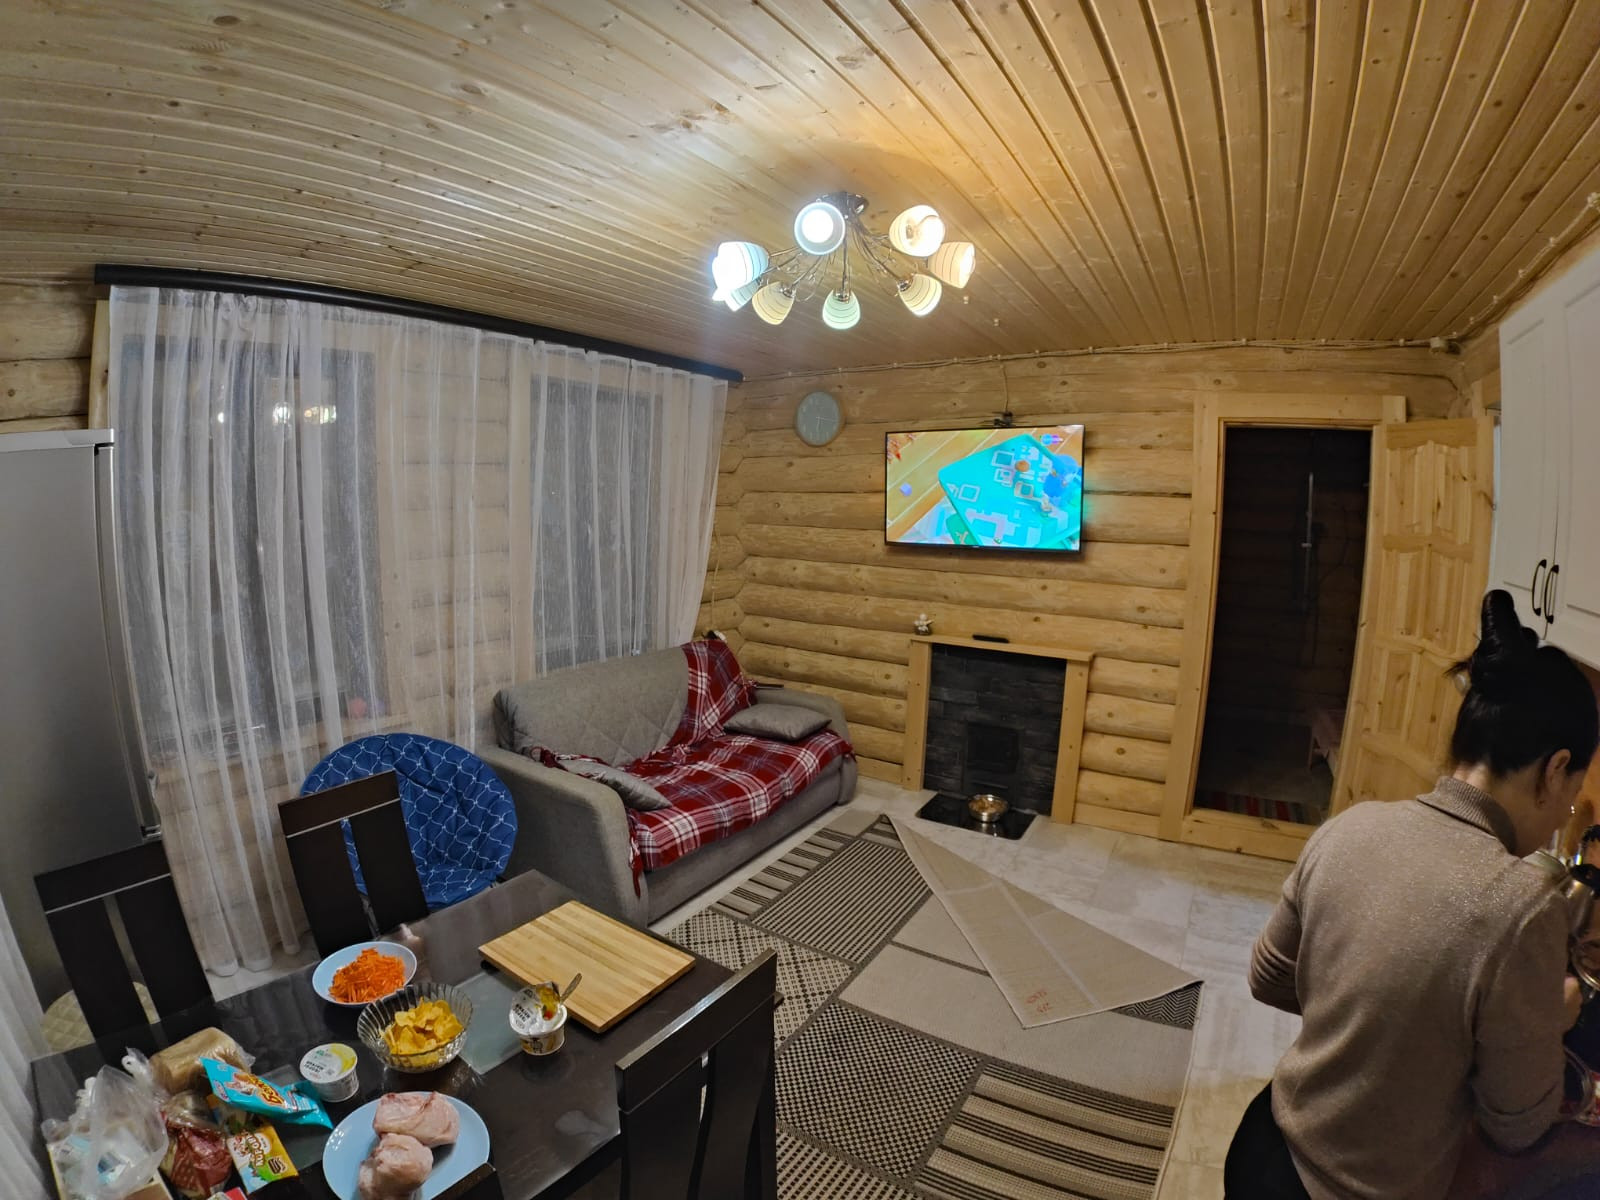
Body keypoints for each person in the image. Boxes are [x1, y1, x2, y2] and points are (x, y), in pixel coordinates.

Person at [1225, 590, 1598, 1199]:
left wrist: (1369, 1011)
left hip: (1261, 1146)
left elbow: (1268, 978)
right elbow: (1518, 1124)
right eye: (1572, 793)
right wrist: (1549, 1018)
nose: (1563, 814)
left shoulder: (1350, 826)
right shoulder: (1524, 906)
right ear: (1555, 770)